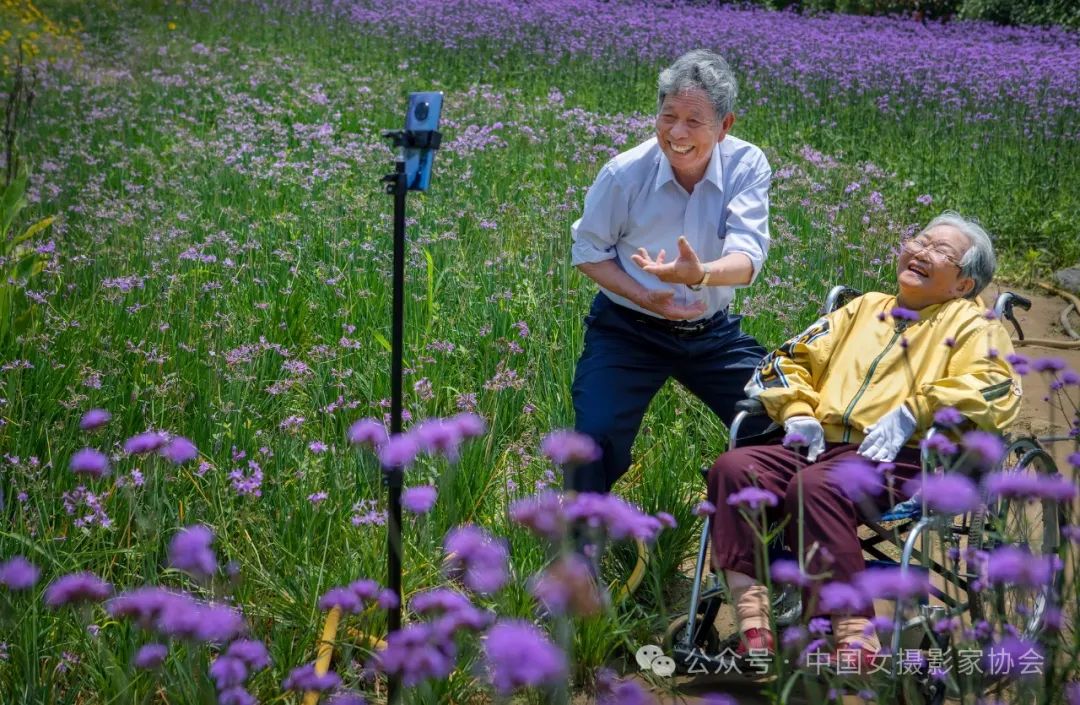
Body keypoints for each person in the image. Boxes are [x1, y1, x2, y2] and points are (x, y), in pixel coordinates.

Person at [706, 211, 1022, 662]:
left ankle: (855, 634)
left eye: (940, 251)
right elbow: (784, 360)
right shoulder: (862, 308)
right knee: (734, 468)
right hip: (821, 445)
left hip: (904, 454)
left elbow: (996, 386)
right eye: (920, 240)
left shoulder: (973, 326)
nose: (921, 251)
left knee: (815, 488)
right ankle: (754, 623)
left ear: (962, 284)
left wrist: (916, 410)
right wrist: (797, 411)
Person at [568, 49, 772, 495]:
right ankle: (580, 553)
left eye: (694, 121)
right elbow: (587, 250)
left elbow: (748, 259)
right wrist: (645, 296)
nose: (677, 133)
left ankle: (763, 544)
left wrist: (699, 275)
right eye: (668, 117)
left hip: (711, 333)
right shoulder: (623, 174)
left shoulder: (747, 165)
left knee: (777, 418)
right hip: (628, 329)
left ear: (725, 126)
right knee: (591, 439)